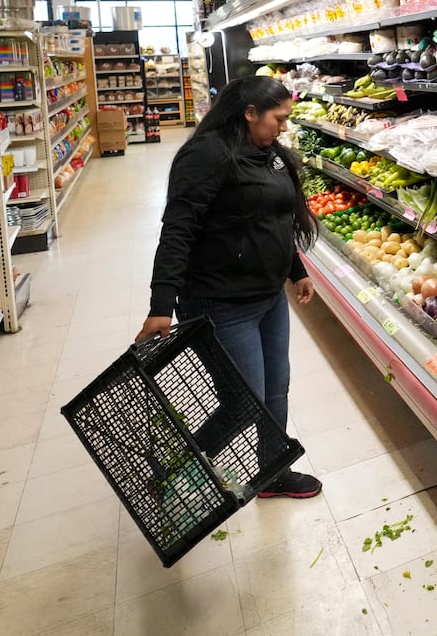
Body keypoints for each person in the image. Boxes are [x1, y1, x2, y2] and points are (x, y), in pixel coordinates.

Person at [136, 76, 322, 499]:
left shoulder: (269, 154)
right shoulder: (208, 155)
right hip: (221, 303)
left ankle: (274, 471)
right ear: (250, 113)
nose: (284, 128)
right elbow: (178, 231)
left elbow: (276, 219)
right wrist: (161, 304)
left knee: (276, 388)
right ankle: (172, 471)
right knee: (242, 403)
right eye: (279, 118)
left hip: (269, 296)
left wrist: (295, 270)